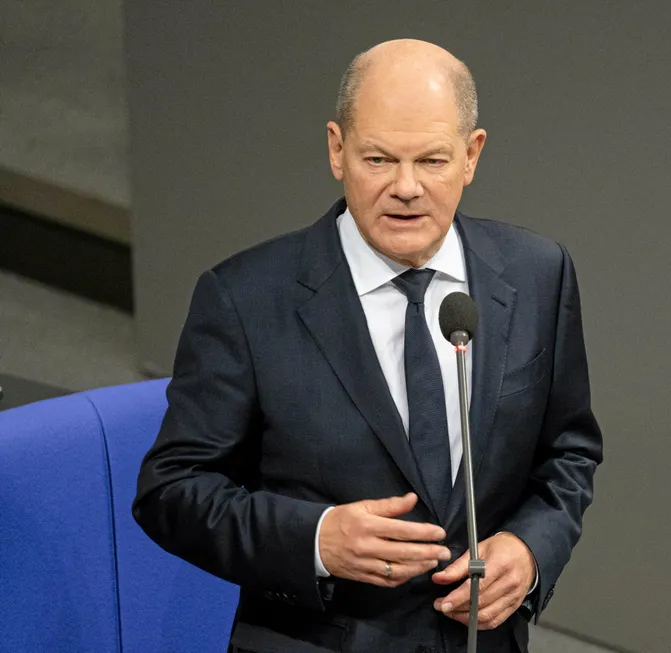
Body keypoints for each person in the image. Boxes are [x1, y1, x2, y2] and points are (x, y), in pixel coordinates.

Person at [133, 39, 602, 653]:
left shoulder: (540, 274)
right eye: (379, 159)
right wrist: (317, 539)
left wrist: (531, 549)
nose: (405, 188)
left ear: (472, 155)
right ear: (336, 150)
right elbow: (171, 490)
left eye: (431, 161)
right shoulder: (245, 298)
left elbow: (569, 451)